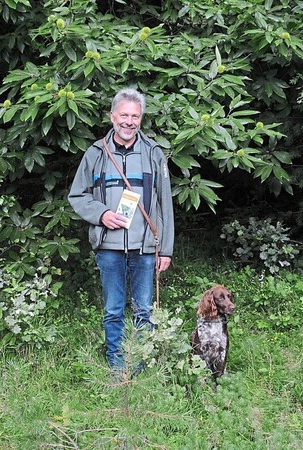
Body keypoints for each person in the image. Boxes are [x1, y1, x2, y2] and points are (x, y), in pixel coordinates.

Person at [68, 87, 174, 370]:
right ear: (112, 116)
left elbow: (165, 205)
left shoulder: (153, 153)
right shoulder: (95, 153)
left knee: (144, 311)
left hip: (145, 247)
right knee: (113, 310)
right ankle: (117, 367)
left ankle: (139, 365)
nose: (129, 121)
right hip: (108, 248)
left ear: (141, 119)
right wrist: (101, 214)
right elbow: (77, 195)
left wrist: (165, 249)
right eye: (124, 115)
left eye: (135, 116)